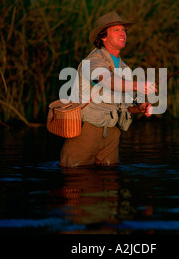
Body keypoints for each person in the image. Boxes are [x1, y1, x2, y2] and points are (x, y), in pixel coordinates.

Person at [59, 11, 156, 167]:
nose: (123, 33)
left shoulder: (125, 68)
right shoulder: (93, 61)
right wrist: (138, 85)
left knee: (109, 184)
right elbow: (107, 80)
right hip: (86, 132)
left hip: (112, 136)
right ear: (103, 37)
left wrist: (140, 108)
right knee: (74, 179)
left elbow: (125, 108)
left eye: (124, 30)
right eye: (116, 30)